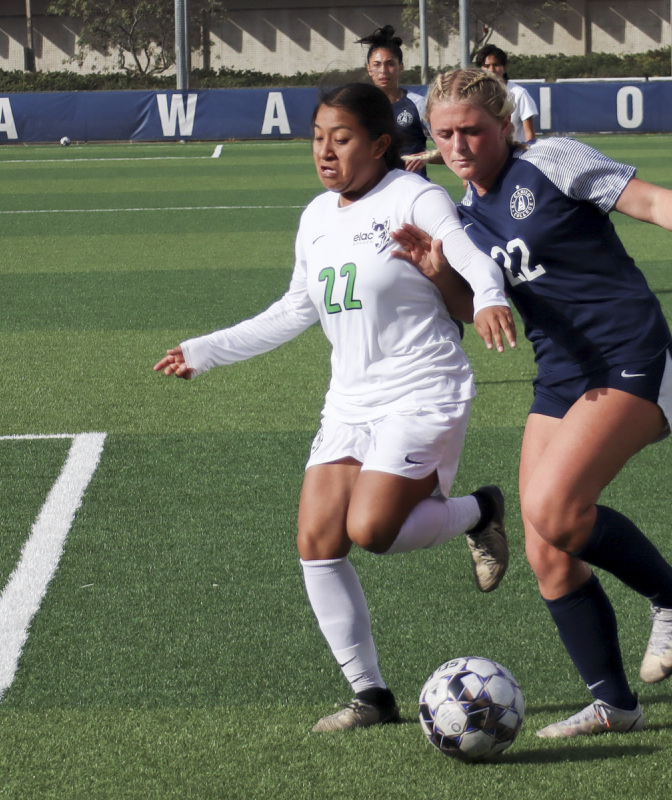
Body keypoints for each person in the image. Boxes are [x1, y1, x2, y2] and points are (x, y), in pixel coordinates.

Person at [390, 69, 672, 738]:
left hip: (631, 354)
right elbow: (470, 309)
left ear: (504, 124)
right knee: (547, 548)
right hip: (560, 375)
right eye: (444, 134)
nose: (458, 145)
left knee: (553, 508)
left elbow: (646, 201)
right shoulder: (460, 220)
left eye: (473, 130)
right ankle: (615, 704)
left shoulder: (552, 161)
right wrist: (440, 275)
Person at [153, 82, 518, 732]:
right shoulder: (317, 216)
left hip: (422, 386)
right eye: (318, 136)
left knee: (372, 531)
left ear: (380, 144)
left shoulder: (414, 195)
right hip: (350, 398)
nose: (325, 150)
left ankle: (479, 511)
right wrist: (206, 349)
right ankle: (371, 696)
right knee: (318, 543)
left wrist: (488, 295)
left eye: (341, 138)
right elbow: (295, 309)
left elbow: (468, 256)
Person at [356, 26, 432, 178]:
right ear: (369, 69)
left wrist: (427, 156)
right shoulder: (359, 107)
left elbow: (449, 148)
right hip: (375, 190)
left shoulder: (419, 104)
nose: (383, 71)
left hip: (412, 188)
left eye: (390, 64)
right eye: (377, 65)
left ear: (400, 67)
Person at [475, 44, 540, 144]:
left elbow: (529, 135)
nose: (491, 70)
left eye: (496, 65)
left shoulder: (519, 93)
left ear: (504, 68)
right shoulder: (476, 95)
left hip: (515, 154)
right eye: (487, 66)